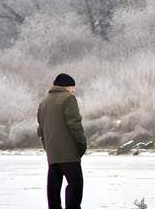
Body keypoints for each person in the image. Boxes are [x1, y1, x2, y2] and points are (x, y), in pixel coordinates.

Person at [37, 73, 88, 209]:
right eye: (72, 88)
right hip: (69, 153)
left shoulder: (44, 102)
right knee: (75, 184)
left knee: (53, 188)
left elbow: (40, 129)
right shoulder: (68, 99)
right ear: (66, 86)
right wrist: (81, 143)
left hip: (52, 155)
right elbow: (74, 123)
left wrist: (48, 147)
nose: (73, 91)